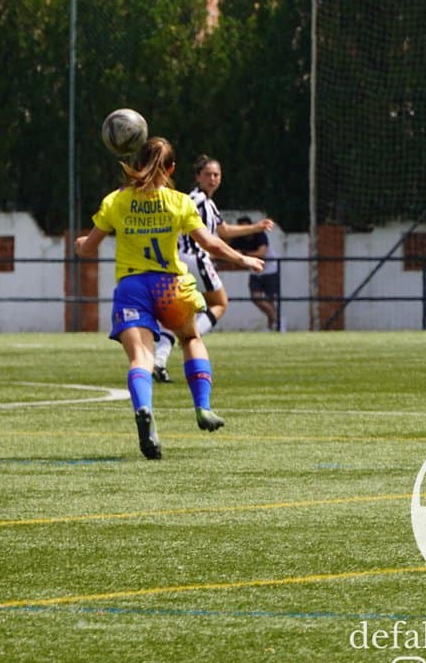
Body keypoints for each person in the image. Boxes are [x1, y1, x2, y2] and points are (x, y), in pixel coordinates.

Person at [74, 137, 264, 459]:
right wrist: (243, 259)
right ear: (172, 168)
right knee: (190, 338)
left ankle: (145, 409)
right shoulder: (179, 202)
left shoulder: (116, 201)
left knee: (141, 359)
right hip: (170, 286)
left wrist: (79, 244)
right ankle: (202, 407)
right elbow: (212, 244)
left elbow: (88, 247)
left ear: (135, 165)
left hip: (132, 288)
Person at [150, 156, 273, 381]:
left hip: (178, 261)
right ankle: (192, 337)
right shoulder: (196, 200)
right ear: (197, 177)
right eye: (207, 174)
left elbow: (223, 231)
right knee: (219, 303)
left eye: (216, 174)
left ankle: (159, 361)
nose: (213, 178)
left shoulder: (206, 202)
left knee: (176, 314)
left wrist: (255, 227)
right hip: (194, 259)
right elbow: (188, 226)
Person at [231, 215, 282, 332]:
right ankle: (276, 319)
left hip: (270, 269)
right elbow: (230, 250)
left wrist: (243, 254)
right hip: (254, 270)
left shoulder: (260, 235)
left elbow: (262, 252)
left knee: (271, 299)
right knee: (256, 297)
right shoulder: (239, 238)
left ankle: (273, 324)